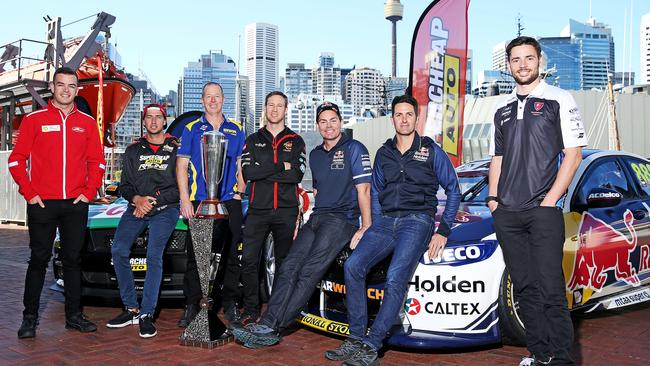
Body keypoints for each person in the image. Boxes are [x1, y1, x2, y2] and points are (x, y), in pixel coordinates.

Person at [326, 94, 461, 366]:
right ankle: (355, 338)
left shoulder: (431, 150)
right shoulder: (384, 152)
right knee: (353, 266)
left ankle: (372, 344)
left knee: (396, 276)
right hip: (386, 222)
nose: (404, 119)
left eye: (408, 114)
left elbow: (453, 190)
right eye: (399, 114)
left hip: (417, 221)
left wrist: (443, 230)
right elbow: (375, 191)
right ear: (392, 119)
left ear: (416, 118)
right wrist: (371, 226)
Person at [232, 102, 372, 347]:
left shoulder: (354, 148)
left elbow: (364, 190)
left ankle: (274, 327)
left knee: (309, 271)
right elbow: (316, 188)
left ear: (340, 122)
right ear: (317, 125)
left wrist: (365, 226)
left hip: (341, 220)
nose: (329, 126)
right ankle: (267, 323)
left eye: (333, 120)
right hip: (317, 217)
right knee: (288, 267)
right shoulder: (316, 154)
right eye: (323, 121)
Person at [487, 36, 586, 366]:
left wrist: (550, 200)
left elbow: (573, 156)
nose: (523, 64)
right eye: (516, 59)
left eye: (529, 58)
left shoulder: (559, 99)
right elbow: (497, 159)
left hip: (543, 212)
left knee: (550, 289)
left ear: (539, 60)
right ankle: (540, 354)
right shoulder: (500, 110)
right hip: (508, 214)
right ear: (509, 65)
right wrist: (492, 200)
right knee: (526, 289)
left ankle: (562, 360)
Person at [9, 66, 105, 338]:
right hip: (42, 204)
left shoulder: (86, 123)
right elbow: (16, 160)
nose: (66, 90)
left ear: (77, 89)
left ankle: (74, 315)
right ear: (52, 87)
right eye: (61, 85)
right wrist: (30, 192)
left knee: (73, 260)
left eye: (71, 86)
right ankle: (29, 318)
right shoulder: (34, 120)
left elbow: (96, 162)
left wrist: (88, 192)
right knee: (38, 259)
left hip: (76, 203)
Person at [105, 104, 179, 338]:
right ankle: (131, 308)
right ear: (144, 122)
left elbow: (181, 187)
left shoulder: (177, 149)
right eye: (150, 117)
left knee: (153, 256)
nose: (154, 121)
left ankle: (147, 313)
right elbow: (124, 185)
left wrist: (151, 202)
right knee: (118, 250)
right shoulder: (133, 150)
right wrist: (137, 199)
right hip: (135, 207)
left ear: (165, 121)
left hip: (165, 209)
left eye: (159, 117)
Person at [175, 82, 246, 327]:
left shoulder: (237, 129)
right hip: (200, 201)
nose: (213, 101)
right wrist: (185, 200)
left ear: (223, 99)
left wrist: (241, 191)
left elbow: (239, 166)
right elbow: (181, 166)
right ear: (202, 101)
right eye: (208, 97)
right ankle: (192, 304)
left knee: (230, 255)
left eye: (217, 96)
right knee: (198, 255)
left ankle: (229, 304)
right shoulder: (192, 129)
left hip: (229, 201)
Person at [239, 91, 306, 324]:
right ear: (265, 108)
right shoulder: (253, 139)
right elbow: (249, 173)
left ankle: (277, 310)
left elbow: (296, 175)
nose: (275, 109)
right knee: (249, 260)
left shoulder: (296, 140)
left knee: (284, 263)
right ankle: (251, 309)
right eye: (271, 105)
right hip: (257, 210)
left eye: (280, 105)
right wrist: (281, 165)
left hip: (286, 211)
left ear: (286, 109)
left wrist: (264, 169)